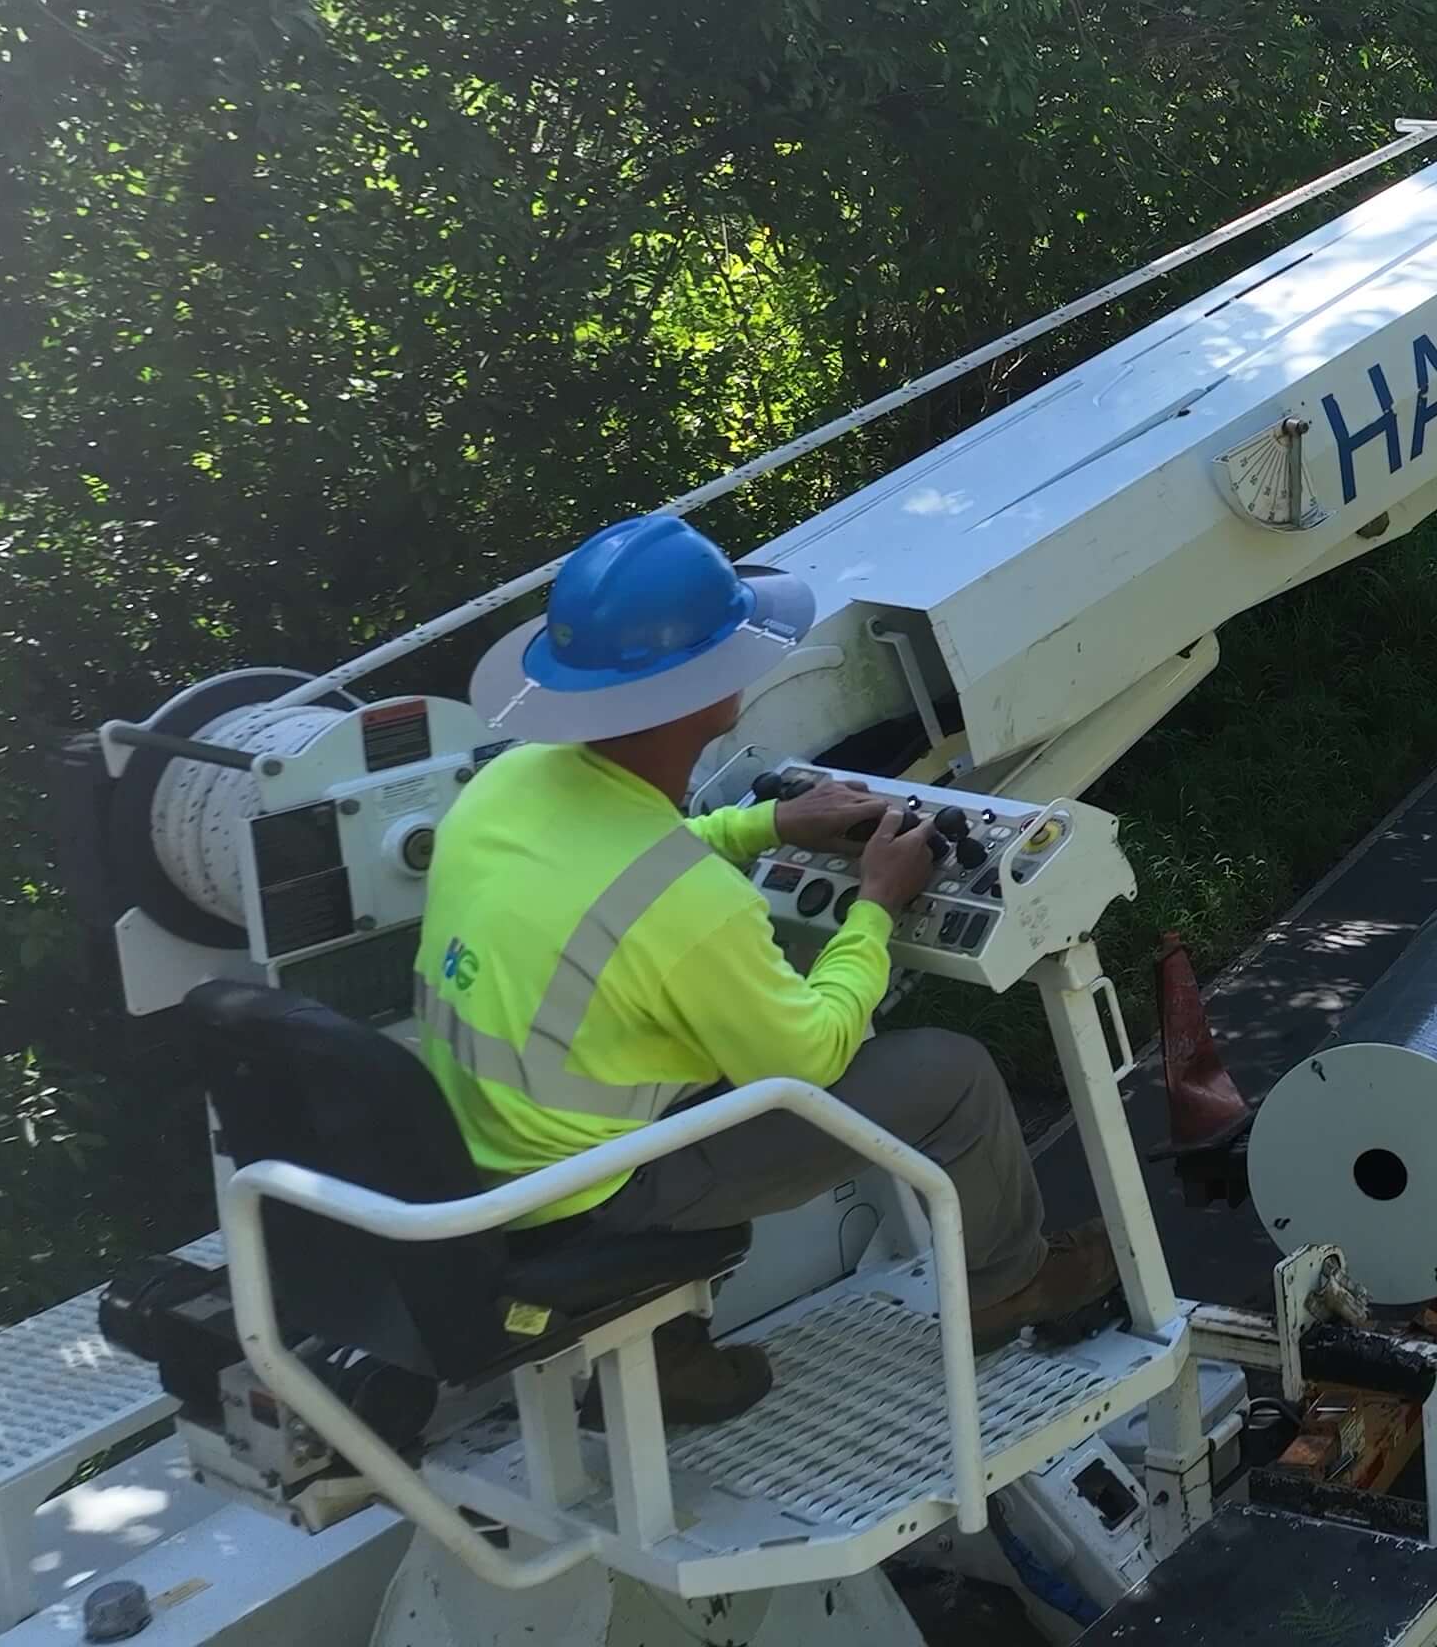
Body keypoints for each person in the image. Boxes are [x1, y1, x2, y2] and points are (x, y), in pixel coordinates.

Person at [430, 513, 1117, 1425]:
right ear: (704, 693)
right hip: (602, 1198)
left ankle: (669, 1349)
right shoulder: (685, 908)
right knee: (952, 1074)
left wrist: (766, 825)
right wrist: (876, 903)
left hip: (499, 1158)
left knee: (698, 1030)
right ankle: (1010, 1284)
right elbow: (813, 1054)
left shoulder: (503, 786)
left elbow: (622, 859)